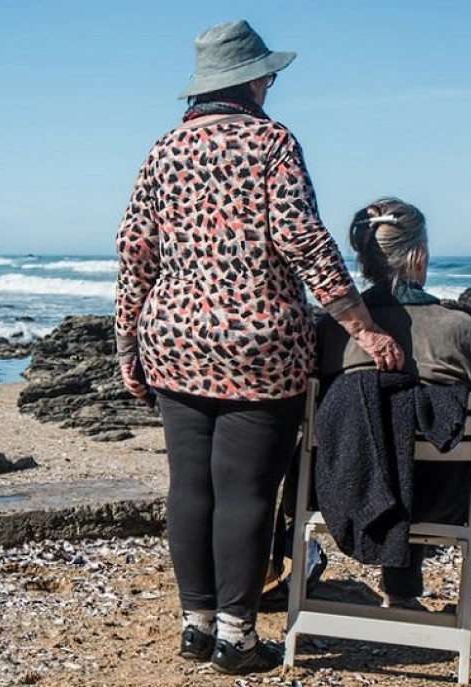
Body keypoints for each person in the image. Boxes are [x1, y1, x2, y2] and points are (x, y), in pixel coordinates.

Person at [114, 20, 404, 674]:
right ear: (247, 79)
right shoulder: (272, 142)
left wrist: (127, 344)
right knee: (245, 490)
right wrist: (363, 326)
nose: (271, 81)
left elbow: (135, 254)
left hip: (175, 337)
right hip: (259, 343)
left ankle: (196, 624)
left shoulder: (163, 150)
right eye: (266, 73)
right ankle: (236, 638)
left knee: (189, 486)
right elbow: (305, 241)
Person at [316, 197, 471, 608]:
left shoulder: (332, 331)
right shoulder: (459, 330)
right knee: (423, 453)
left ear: (365, 260)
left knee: (380, 440)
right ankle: (403, 592)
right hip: (444, 498)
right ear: (418, 256)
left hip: (341, 493)